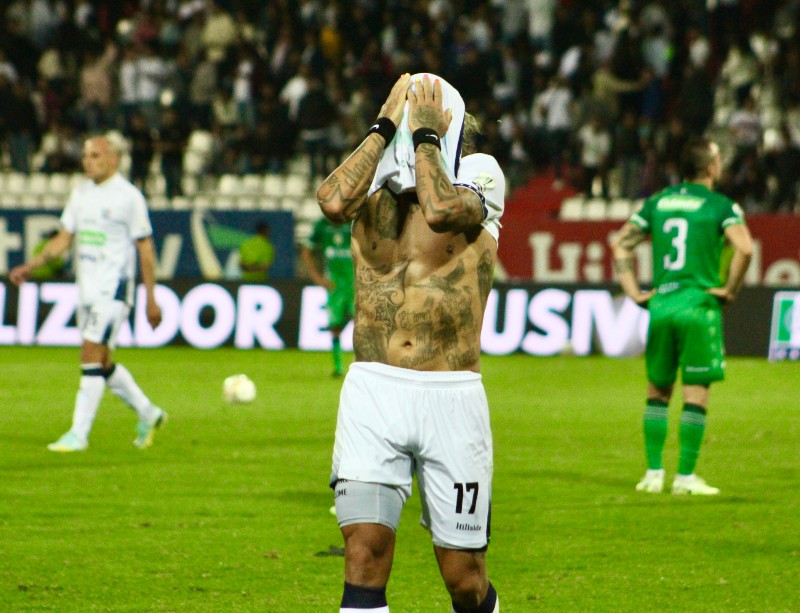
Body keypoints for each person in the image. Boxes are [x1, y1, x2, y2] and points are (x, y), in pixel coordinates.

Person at [318, 73, 504, 612]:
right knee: (363, 555)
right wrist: (383, 126)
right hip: (372, 392)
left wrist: (425, 136)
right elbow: (332, 202)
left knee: (464, 578)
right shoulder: (372, 183)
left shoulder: (481, 175)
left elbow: (442, 211)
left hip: (451, 395)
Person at [610, 137, 753, 496]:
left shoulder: (658, 202)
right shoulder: (721, 205)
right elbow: (745, 248)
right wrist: (730, 289)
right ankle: (685, 477)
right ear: (711, 167)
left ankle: (652, 474)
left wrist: (633, 292)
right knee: (695, 393)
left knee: (657, 391)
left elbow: (620, 244)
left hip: (661, 307)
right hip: (698, 306)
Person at [10, 134, 167, 453]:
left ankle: (78, 434)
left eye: (95, 155)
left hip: (114, 289)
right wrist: (32, 265)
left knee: (90, 353)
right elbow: (64, 238)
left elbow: (145, 247)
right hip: (87, 290)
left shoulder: (129, 197)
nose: (87, 161)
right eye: (85, 155)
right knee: (103, 362)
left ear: (113, 159)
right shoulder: (80, 194)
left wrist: (151, 297)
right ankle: (149, 413)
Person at [300, 216, 354, 378]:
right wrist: (317, 278)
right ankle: (338, 367)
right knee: (335, 326)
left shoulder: (353, 222)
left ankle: (359, 365)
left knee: (361, 325)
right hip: (334, 285)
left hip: (355, 284)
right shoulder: (321, 225)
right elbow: (306, 251)